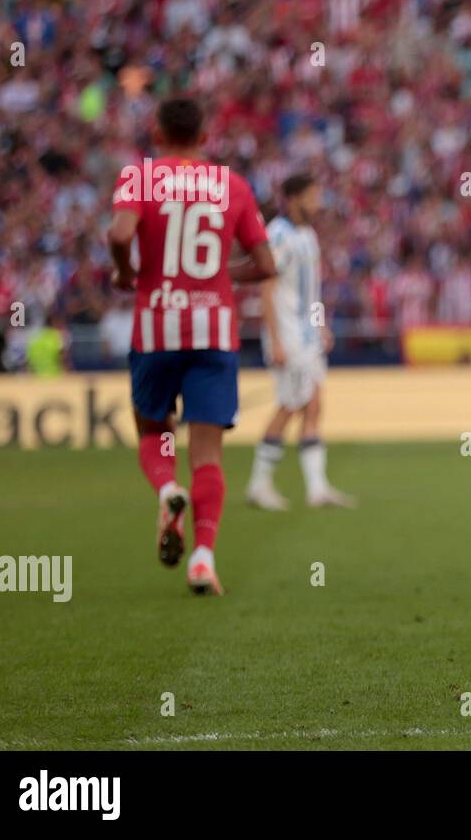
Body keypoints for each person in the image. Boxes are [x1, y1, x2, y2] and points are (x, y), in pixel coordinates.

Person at [108, 97, 275, 595]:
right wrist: (219, 274)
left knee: (154, 430)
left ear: (156, 133)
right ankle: (203, 557)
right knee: (208, 454)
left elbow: (119, 233)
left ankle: (167, 488)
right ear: (205, 137)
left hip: (156, 326)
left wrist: (124, 272)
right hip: (212, 332)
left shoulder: (138, 178)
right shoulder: (232, 185)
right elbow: (266, 266)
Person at [246, 174, 356, 510]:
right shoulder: (277, 235)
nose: (318, 203)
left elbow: (312, 290)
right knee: (292, 404)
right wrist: (275, 340)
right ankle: (259, 483)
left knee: (314, 404)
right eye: (312, 196)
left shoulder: (308, 235)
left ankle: (317, 488)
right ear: (293, 198)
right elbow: (266, 287)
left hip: (308, 335)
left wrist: (320, 326)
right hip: (289, 334)